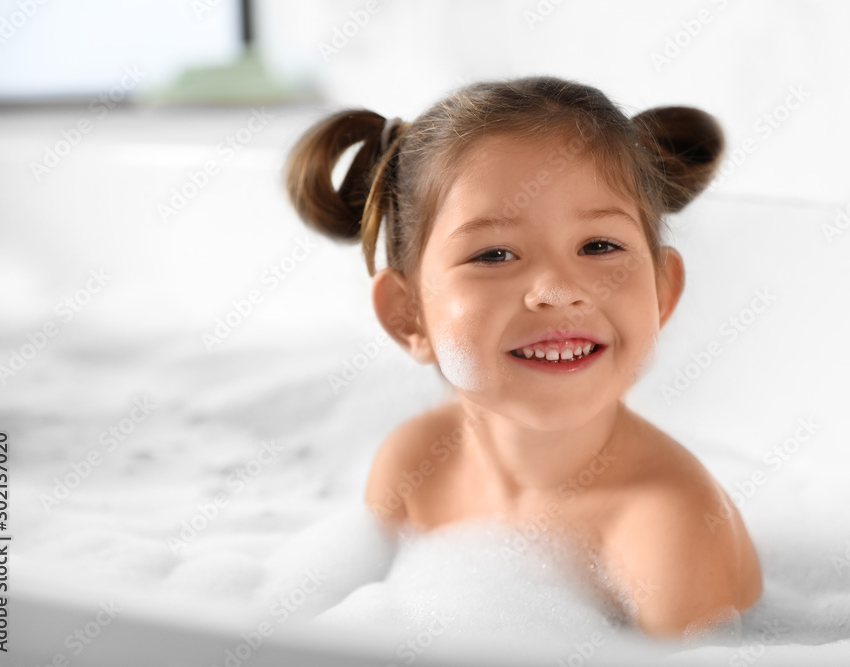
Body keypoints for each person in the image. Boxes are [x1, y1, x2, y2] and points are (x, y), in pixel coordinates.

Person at [284, 75, 762, 639]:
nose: (558, 290)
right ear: (408, 315)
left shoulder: (668, 527)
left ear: (662, 292)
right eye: (494, 254)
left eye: (600, 246)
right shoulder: (415, 465)